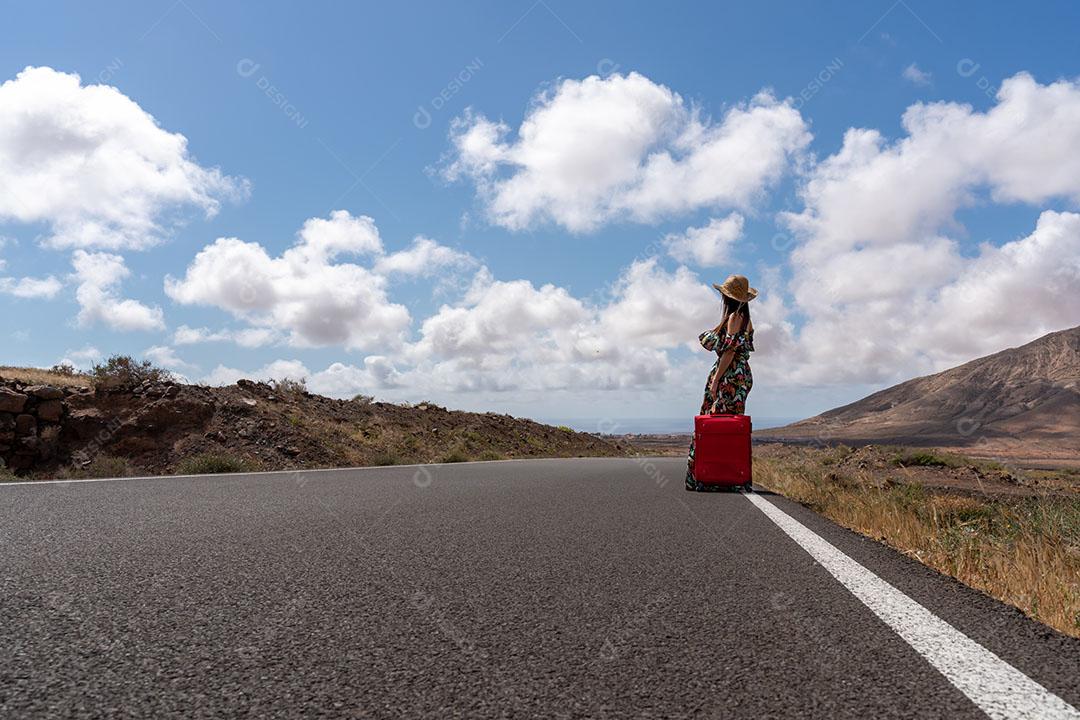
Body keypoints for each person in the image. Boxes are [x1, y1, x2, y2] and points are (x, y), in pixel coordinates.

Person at [685, 274, 756, 491]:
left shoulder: (735, 318)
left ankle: (714, 476)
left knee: (716, 423)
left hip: (729, 376)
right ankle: (727, 474)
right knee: (728, 427)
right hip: (740, 375)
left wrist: (716, 381)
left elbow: (729, 352)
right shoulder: (745, 319)